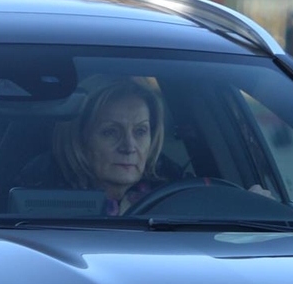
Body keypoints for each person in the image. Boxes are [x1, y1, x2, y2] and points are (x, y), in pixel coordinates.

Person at [13, 76, 182, 214]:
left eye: (140, 132)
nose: (129, 147)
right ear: (78, 138)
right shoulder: (38, 199)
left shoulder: (178, 200)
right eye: (110, 132)